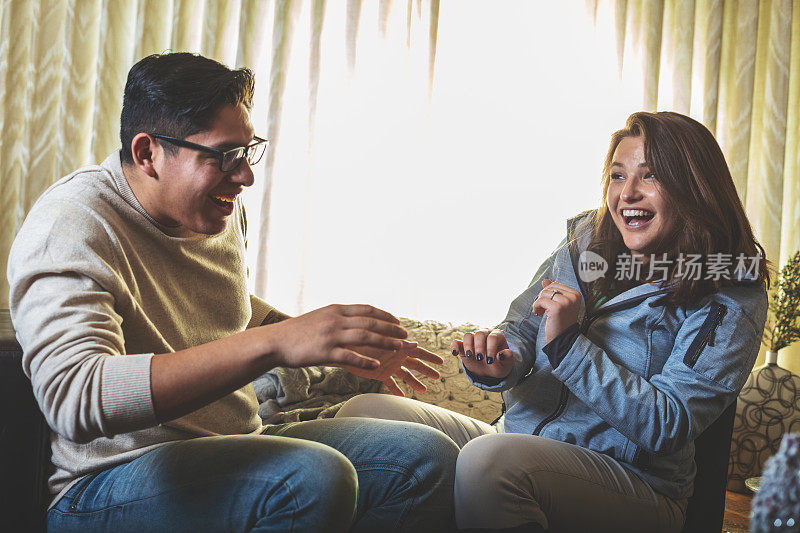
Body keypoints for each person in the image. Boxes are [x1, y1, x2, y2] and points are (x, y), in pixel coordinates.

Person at [7, 52, 459, 533]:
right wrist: (273, 345)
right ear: (148, 154)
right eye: (223, 156)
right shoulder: (74, 223)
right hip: (105, 484)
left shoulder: (213, 210)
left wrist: (326, 341)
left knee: (426, 459)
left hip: (233, 443)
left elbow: (222, 308)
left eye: (247, 151)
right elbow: (76, 397)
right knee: (311, 479)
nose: (243, 176)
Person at [336, 111, 770, 532]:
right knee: (364, 418)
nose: (628, 193)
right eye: (618, 175)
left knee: (488, 463)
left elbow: (668, 423)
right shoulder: (590, 241)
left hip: (633, 483)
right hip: (520, 441)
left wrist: (568, 347)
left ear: (693, 186)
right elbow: (524, 326)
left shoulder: (727, 291)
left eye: (650, 175)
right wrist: (503, 359)